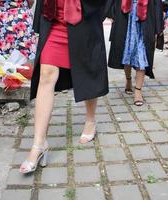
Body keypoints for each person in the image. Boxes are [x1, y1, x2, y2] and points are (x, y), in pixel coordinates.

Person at [19, 0, 110, 174]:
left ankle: (90, 120)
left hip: (83, 22)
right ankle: (39, 144)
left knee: (87, 72)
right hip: (54, 22)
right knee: (46, 75)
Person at [108, 0, 164, 106]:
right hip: (125, 19)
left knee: (141, 55)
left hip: (145, 21)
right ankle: (128, 79)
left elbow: (157, 3)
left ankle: (138, 91)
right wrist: (112, 14)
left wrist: (158, 27)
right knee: (126, 54)